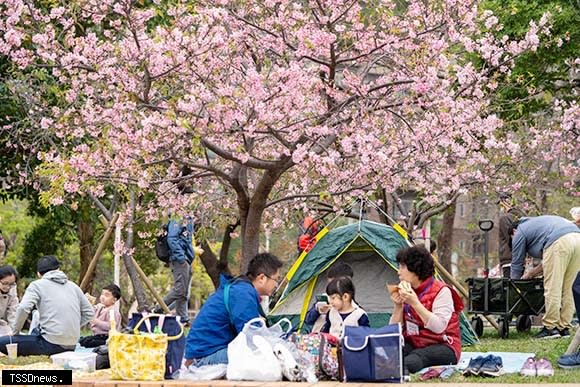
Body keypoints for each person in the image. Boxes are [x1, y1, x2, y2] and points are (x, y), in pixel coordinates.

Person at [183, 252, 283, 366]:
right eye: (276, 279)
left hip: (205, 353)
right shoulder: (242, 294)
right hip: (203, 358)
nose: (276, 285)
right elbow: (253, 336)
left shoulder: (241, 289)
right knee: (265, 355)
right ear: (262, 278)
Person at [389, 245, 463, 374]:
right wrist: (398, 306)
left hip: (444, 345)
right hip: (415, 341)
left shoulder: (441, 291)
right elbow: (393, 331)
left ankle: (398, 372)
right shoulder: (407, 290)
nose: (398, 271)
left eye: (402, 266)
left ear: (415, 269)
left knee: (417, 357)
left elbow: (439, 327)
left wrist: (415, 303)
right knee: (390, 351)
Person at [0, 255, 94, 356]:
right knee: (36, 330)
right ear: (58, 269)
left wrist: (15, 333)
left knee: (2, 342)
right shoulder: (74, 286)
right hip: (72, 345)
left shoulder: (37, 285)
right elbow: (89, 312)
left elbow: (23, 308)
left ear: (39, 274)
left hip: (50, 344)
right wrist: (73, 326)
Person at [510, 215, 580, 338]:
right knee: (569, 288)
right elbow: (547, 262)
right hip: (577, 238)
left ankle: (550, 328)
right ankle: (564, 328)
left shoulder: (519, 231)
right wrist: (530, 273)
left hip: (560, 242)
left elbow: (516, 264)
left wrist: (514, 284)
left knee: (553, 286)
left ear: (513, 231)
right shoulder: (540, 224)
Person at [304, 262, 354, 332]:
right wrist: (317, 310)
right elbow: (308, 320)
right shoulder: (325, 298)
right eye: (330, 284)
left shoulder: (351, 304)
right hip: (319, 338)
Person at [162, 217, 195, 324]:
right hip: (180, 259)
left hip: (186, 259)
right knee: (180, 289)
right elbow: (172, 239)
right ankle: (158, 307)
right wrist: (181, 258)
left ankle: (183, 318)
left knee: (184, 292)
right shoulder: (179, 217)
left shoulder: (189, 218)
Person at [79, 284, 122, 348]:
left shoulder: (113, 311)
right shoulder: (100, 306)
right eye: (102, 294)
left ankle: (108, 343)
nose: (103, 297)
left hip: (107, 337)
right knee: (82, 340)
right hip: (97, 336)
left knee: (89, 342)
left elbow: (110, 326)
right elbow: (92, 310)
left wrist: (96, 321)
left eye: (106, 295)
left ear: (114, 300)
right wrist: (88, 302)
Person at [497, 193, 525, 278]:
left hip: (509, 260)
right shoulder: (522, 217)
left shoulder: (504, 218)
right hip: (521, 260)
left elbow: (511, 239)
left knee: (510, 288)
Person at [0, 265, 19, 336]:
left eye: (11, 284)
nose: (8, 287)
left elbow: (13, 311)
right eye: (5, 283)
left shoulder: (12, 289)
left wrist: (14, 331)